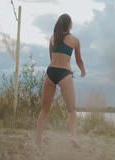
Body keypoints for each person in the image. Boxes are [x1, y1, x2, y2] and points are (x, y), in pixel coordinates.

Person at [36, 14, 86, 147]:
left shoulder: (53, 38)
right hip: (64, 73)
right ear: (69, 24)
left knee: (44, 110)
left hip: (51, 72)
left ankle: (38, 140)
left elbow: (51, 57)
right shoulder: (74, 40)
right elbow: (79, 60)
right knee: (72, 110)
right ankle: (74, 138)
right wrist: (83, 71)